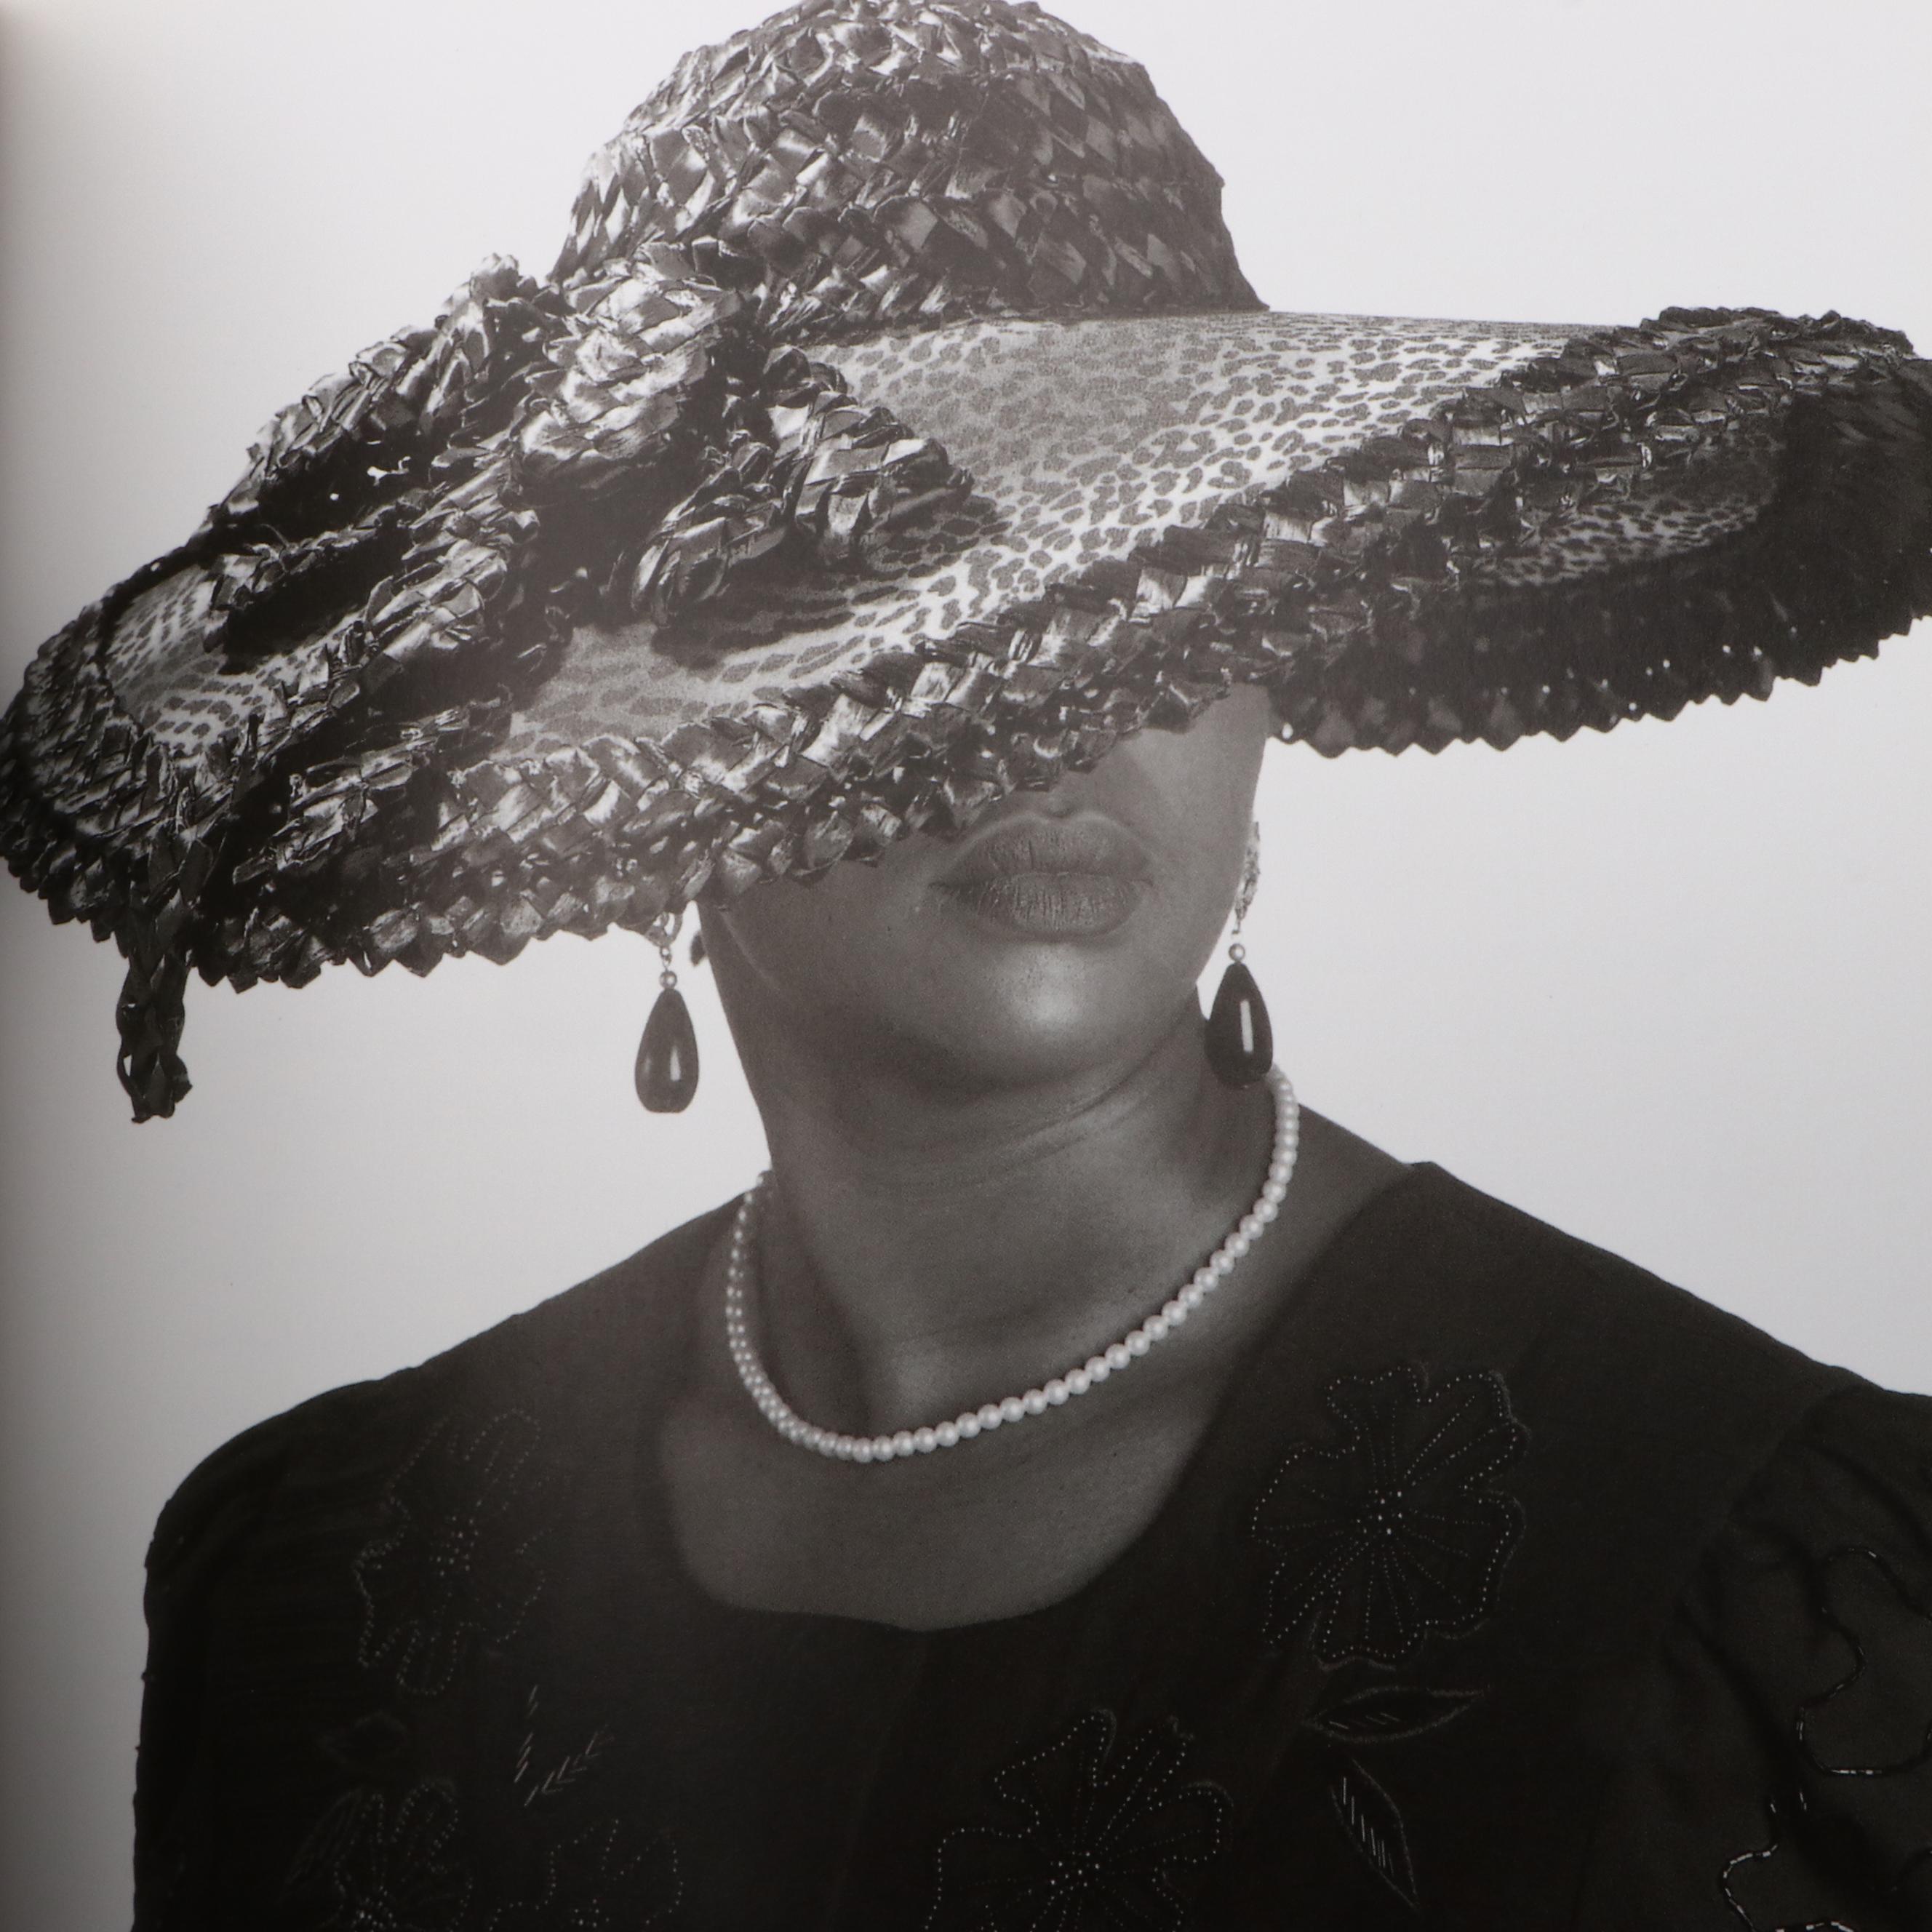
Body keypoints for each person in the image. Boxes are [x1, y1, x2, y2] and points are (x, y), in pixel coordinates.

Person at [4, 0, 1931, 1924]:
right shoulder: (317, 1577)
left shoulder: (1747, 1568)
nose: (1074, 732)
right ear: (643, 736)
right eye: (914, 606)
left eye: (1173, 586)